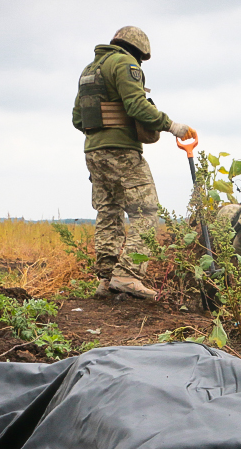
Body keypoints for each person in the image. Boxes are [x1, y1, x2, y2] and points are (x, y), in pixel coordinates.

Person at [73, 26, 196, 299]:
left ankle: (106, 280)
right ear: (139, 52)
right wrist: (172, 126)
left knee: (109, 213)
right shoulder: (126, 64)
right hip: (123, 152)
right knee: (146, 212)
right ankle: (128, 275)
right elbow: (137, 107)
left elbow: (77, 120)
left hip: (93, 152)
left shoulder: (89, 71)